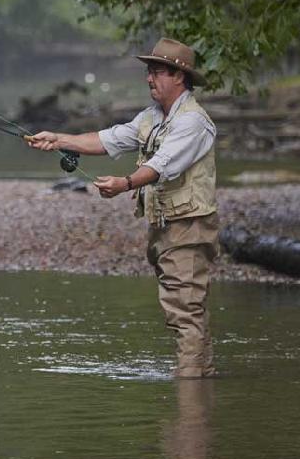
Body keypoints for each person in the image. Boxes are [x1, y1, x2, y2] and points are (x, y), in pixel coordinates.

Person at [26, 37, 219, 378]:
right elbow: (107, 139)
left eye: (157, 72)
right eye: (148, 71)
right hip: (166, 225)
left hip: (188, 225)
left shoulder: (192, 122)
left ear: (179, 77)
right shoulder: (151, 117)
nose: (149, 79)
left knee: (184, 309)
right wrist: (58, 139)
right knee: (182, 307)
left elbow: (163, 164)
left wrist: (125, 184)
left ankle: (191, 396)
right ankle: (199, 383)